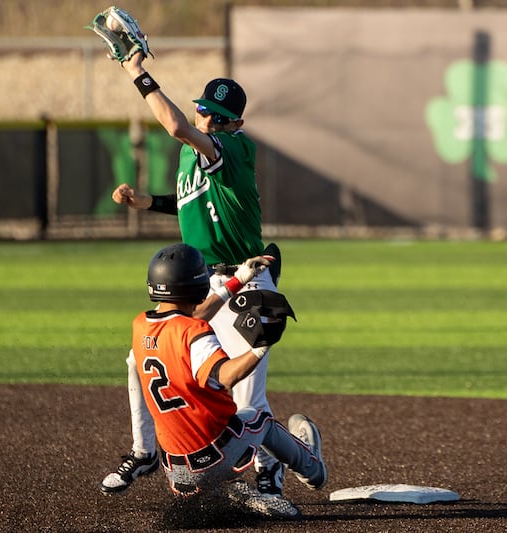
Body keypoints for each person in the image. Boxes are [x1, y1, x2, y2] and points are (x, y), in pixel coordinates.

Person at [99, 41, 298, 516]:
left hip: (246, 280)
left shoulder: (234, 148)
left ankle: (270, 476)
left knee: (247, 396)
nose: (207, 121)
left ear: (236, 126)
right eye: (203, 112)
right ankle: (145, 452)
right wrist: (148, 203)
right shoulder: (197, 154)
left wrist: (137, 72)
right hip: (203, 282)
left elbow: (174, 126)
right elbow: (190, 200)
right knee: (139, 358)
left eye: (217, 118)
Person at [127, 242, 327, 505]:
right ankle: (313, 471)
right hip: (214, 459)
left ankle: (229, 493)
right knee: (260, 419)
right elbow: (226, 376)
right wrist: (260, 347)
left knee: (217, 427)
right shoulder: (193, 333)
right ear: (198, 286)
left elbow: (191, 314)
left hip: (177, 475)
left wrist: (238, 280)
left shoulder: (141, 325)